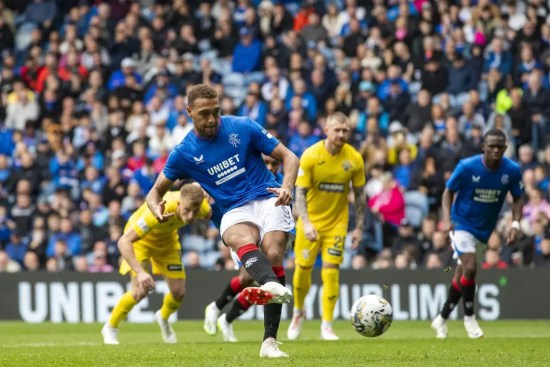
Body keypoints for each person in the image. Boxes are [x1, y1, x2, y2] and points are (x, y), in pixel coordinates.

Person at [146, 84, 299, 358]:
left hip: (268, 196)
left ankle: (269, 342)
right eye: (204, 114)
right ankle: (270, 286)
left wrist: (287, 185)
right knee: (240, 238)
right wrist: (154, 206)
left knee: (274, 251)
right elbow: (155, 190)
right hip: (234, 210)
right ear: (189, 112)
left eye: (216, 112)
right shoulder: (183, 153)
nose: (212, 120)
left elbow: (290, 157)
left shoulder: (242, 126)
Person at [431, 129, 523, 339]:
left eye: (500, 147)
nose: (496, 150)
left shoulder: (512, 170)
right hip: (461, 224)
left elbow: (517, 198)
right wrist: (447, 220)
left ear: (505, 148)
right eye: (491, 146)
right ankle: (470, 319)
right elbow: (448, 192)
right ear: (483, 147)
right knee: (471, 268)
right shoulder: (466, 167)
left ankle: (441, 318)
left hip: (484, 229)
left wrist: (515, 224)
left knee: (462, 274)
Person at [287, 112, 366, 341]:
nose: (341, 134)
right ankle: (298, 313)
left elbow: (360, 197)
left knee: (331, 273)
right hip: (309, 222)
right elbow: (299, 193)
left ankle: (327, 325)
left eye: (345, 131)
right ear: (327, 130)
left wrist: (359, 227)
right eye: (337, 130)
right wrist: (307, 222)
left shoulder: (354, 159)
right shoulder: (311, 155)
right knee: (302, 269)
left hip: (337, 224)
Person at [101, 184, 212, 345]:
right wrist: (141, 273)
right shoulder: (160, 209)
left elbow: (212, 211)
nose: (190, 216)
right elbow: (124, 241)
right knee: (140, 290)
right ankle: (110, 327)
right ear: (179, 203)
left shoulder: (200, 205)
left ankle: (163, 317)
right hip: (140, 243)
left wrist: (203, 186)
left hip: (167, 244)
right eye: (187, 210)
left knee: (178, 292)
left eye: (194, 212)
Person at [203, 154, 285, 343]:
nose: (271, 168)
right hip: (242, 231)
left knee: (256, 283)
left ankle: (225, 317)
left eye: (275, 164)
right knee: (251, 278)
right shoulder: (240, 177)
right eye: (266, 163)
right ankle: (217, 308)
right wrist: (204, 190)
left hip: (267, 232)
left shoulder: (281, 184)